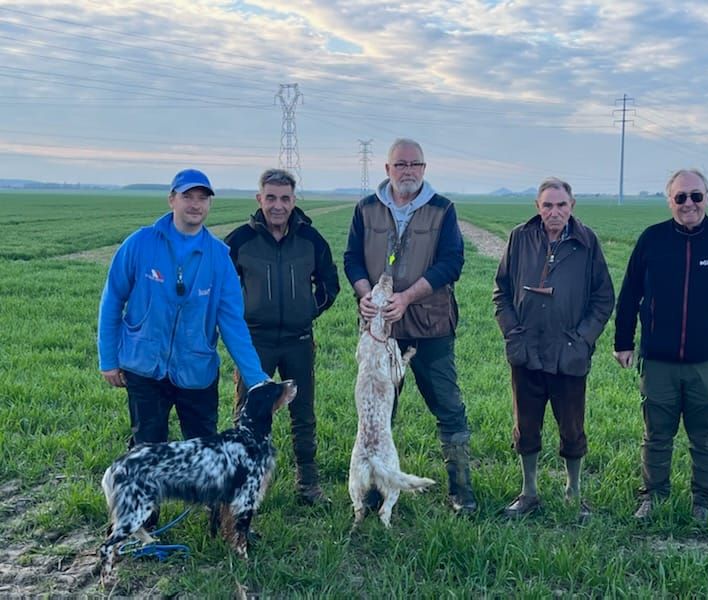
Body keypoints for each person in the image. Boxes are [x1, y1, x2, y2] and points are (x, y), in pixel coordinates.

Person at [97, 169, 277, 526]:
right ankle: (143, 528)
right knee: (148, 446)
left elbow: (232, 322)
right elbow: (112, 300)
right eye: (187, 196)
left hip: (196, 371)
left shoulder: (218, 256)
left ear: (209, 204)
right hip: (144, 367)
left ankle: (220, 523)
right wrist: (109, 358)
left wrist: (257, 380)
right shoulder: (140, 243)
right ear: (172, 199)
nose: (195, 204)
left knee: (207, 450)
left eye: (202, 198)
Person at [343, 138, 477, 515]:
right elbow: (352, 258)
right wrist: (366, 294)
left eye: (414, 165)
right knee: (377, 412)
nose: (407, 171)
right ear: (386, 169)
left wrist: (408, 297)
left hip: (430, 327)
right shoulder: (366, 209)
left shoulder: (442, 210)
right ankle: (371, 489)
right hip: (380, 330)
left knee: (448, 407)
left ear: (424, 168)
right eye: (400, 165)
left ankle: (460, 490)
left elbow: (452, 263)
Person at [613, 168, 708, 524]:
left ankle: (704, 501)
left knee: (706, 437)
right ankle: (653, 496)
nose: (688, 203)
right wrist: (623, 341)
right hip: (658, 360)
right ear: (669, 201)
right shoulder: (652, 240)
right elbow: (630, 294)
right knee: (656, 435)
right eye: (680, 197)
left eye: (695, 195)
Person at [493, 177, 614, 520]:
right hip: (526, 350)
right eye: (547, 205)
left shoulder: (587, 242)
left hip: (569, 353)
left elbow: (603, 297)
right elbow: (501, 290)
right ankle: (528, 492)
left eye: (561, 205)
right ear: (537, 207)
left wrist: (583, 339)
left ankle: (573, 492)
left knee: (572, 426)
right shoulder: (520, 237)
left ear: (572, 206)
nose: (554, 212)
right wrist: (512, 333)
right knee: (526, 425)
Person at [225, 168, 340, 506]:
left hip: (298, 341)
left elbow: (329, 284)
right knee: (248, 413)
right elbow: (223, 289)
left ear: (294, 200)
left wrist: (307, 311)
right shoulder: (239, 241)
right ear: (259, 199)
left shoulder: (311, 240)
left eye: (285, 198)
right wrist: (242, 318)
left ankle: (308, 483)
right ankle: (243, 486)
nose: (278, 205)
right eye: (271, 197)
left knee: (302, 412)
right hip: (254, 343)